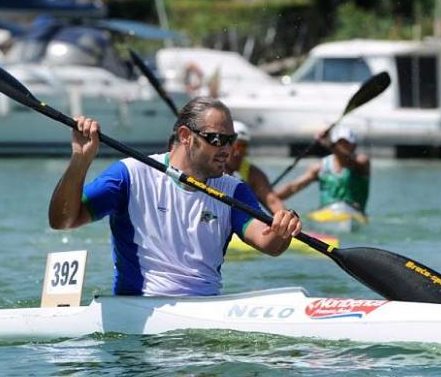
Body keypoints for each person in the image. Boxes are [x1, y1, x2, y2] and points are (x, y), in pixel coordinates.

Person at [49, 96, 301, 297]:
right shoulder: (130, 174)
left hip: (205, 310)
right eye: (216, 139)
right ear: (185, 137)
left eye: (230, 141)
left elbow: (269, 244)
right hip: (140, 307)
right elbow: (62, 221)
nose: (227, 150)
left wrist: (283, 229)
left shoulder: (233, 189)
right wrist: (80, 160)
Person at [275, 125, 370, 213]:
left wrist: (327, 143)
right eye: (341, 143)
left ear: (354, 146)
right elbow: (294, 187)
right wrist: (269, 197)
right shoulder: (320, 167)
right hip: (327, 213)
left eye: (347, 143)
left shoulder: (361, 163)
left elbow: (347, 157)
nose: (344, 146)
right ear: (334, 144)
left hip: (355, 212)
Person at [225, 121, 286, 214]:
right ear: (226, 145)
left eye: (243, 146)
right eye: (237, 145)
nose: (238, 152)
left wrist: (286, 218)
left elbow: (272, 201)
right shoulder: (215, 168)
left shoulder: (253, 174)